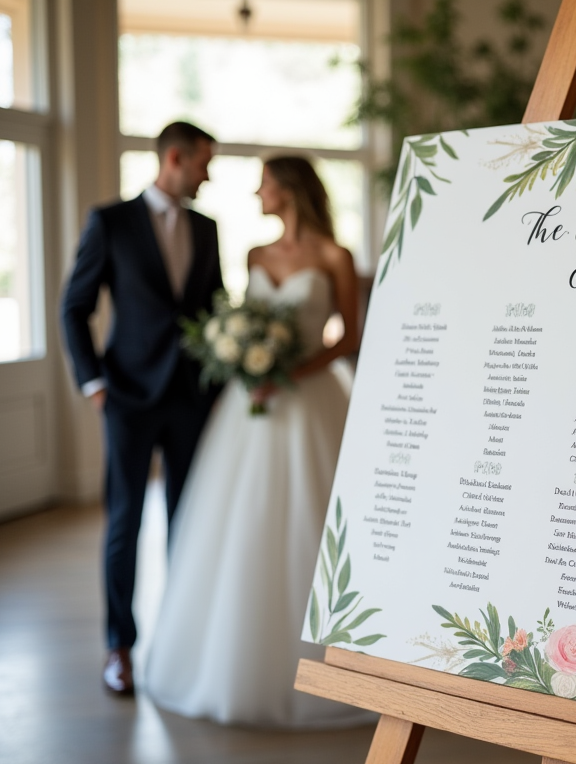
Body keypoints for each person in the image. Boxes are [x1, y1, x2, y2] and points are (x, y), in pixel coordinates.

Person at [143, 155, 370, 728]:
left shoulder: (334, 256)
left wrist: (292, 370)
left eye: (263, 184)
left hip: (312, 395)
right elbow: (249, 321)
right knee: (242, 520)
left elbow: (349, 335)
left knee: (315, 518)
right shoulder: (256, 256)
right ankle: (231, 664)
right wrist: (246, 361)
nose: (256, 194)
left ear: (289, 190)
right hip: (252, 403)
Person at [61, 121, 223, 696]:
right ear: (174, 158)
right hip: (126, 397)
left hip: (191, 399)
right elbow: (73, 307)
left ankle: (180, 641)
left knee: (189, 519)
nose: (209, 173)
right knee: (125, 523)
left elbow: (214, 313)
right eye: (204, 162)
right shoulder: (111, 222)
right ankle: (119, 647)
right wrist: (94, 384)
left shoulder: (208, 229)